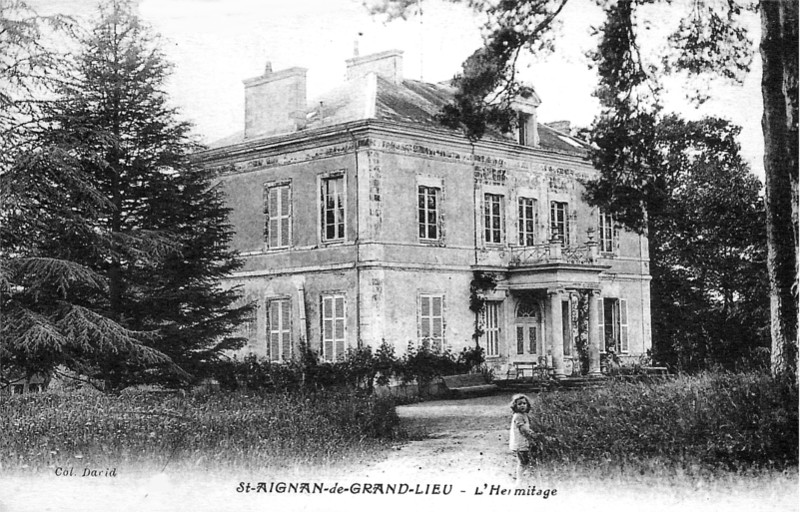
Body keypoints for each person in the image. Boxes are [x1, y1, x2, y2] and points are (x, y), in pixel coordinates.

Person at [508, 393, 536, 482]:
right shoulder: (518, 416)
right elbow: (523, 429)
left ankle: (523, 477)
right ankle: (519, 480)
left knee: (525, 461)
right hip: (520, 443)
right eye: (519, 404)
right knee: (523, 462)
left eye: (524, 403)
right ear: (515, 406)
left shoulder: (524, 414)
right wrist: (532, 434)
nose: (522, 406)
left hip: (523, 442)